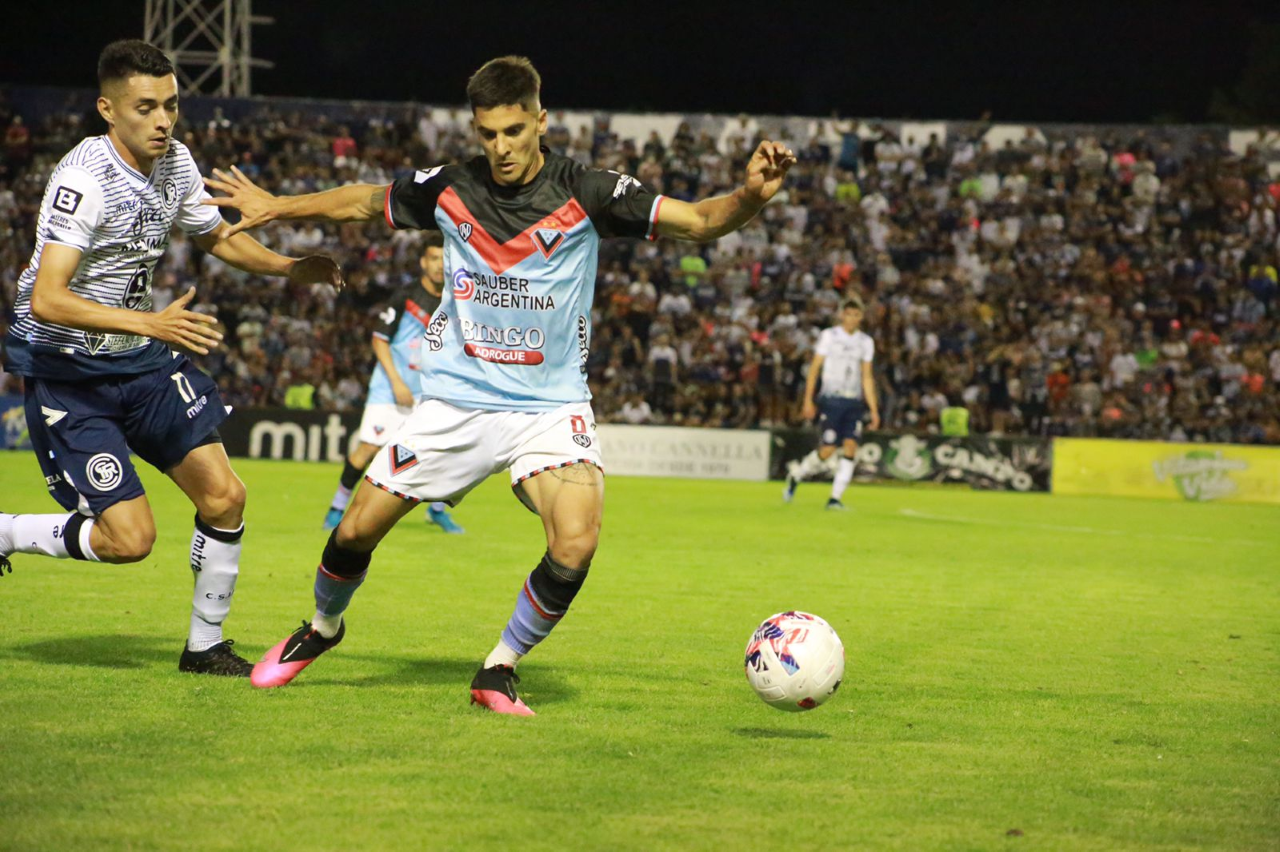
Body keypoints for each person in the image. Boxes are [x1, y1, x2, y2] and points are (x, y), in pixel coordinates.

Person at [203, 55, 795, 712]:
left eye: (514, 131)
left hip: (549, 408)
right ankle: (321, 629)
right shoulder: (452, 188)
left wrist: (748, 197)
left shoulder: (590, 191)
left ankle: (498, 667)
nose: (502, 147)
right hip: (454, 402)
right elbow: (365, 202)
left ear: (541, 121)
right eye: (488, 134)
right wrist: (278, 206)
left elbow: (702, 221)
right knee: (353, 534)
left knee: (576, 539)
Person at [0, 41, 342, 675]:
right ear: (108, 109)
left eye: (172, 106)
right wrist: (152, 322)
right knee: (130, 542)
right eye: (146, 107)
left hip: (144, 360)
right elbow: (48, 298)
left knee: (225, 497)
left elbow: (216, 238)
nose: (163, 121)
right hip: (70, 373)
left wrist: (290, 269)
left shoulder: (177, 162)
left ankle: (205, 647)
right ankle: (7, 532)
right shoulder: (85, 179)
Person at [322, 233, 463, 534]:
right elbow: (380, 340)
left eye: (443, 259)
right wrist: (397, 382)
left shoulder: (454, 301)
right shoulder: (405, 296)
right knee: (367, 449)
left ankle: (437, 512)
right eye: (433, 259)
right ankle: (336, 509)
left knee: (443, 452)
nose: (439, 266)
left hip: (429, 393)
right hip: (390, 389)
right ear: (423, 262)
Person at [783, 297, 880, 510]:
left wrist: (873, 409)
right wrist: (808, 400)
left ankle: (834, 498)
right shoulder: (829, 336)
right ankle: (796, 475)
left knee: (851, 447)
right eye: (848, 314)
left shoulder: (865, 342)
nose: (852, 318)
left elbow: (866, 376)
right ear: (841, 315)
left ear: (861, 317)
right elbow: (814, 369)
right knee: (827, 449)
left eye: (856, 314)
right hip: (831, 399)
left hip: (853, 401)